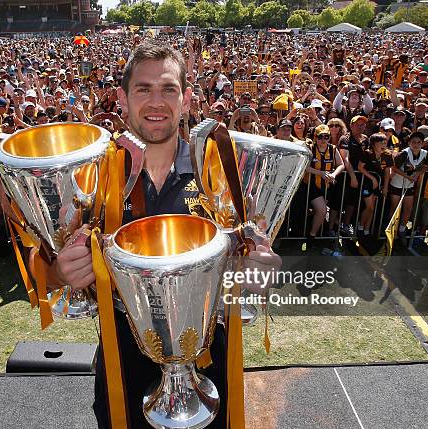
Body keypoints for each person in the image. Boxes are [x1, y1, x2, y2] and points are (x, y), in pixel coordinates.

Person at [41, 41, 282, 429]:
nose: (157, 101)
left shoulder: (220, 176)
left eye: (168, 89)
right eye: (143, 89)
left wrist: (262, 269)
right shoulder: (91, 181)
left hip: (208, 364)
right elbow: (48, 275)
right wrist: (62, 272)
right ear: (122, 98)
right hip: (124, 363)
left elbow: (251, 263)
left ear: (186, 98)